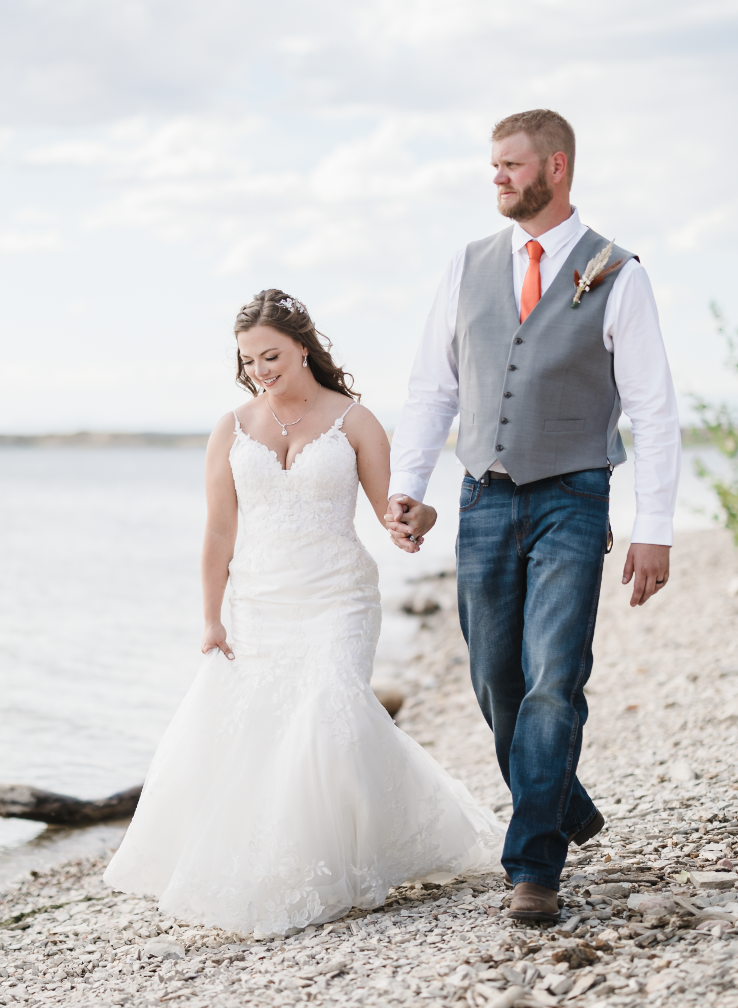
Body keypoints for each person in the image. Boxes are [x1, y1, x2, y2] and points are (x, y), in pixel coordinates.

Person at [103, 290, 503, 936]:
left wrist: (417, 519)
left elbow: (393, 511)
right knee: (264, 735)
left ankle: (329, 871)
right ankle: (281, 864)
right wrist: (211, 619)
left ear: (303, 346)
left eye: (272, 355)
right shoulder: (231, 430)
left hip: (339, 599)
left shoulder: (355, 421)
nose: (261, 369)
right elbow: (217, 535)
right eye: (250, 360)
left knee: (327, 711)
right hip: (260, 602)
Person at [384, 109, 682, 922]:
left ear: (556, 167)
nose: (498, 178)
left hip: (573, 498)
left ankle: (534, 868)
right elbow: (432, 388)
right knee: (494, 680)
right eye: (493, 167)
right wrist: (409, 485)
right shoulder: (468, 265)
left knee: (555, 678)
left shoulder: (618, 272)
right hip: (483, 495)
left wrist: (654, 527)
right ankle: (563, 802)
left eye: (511, 165)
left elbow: (653, 412)